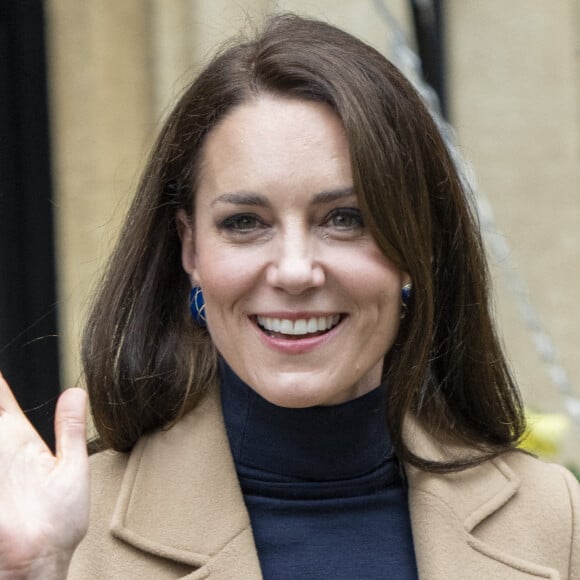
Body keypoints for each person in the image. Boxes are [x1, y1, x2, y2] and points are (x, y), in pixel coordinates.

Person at [0, 13, 578, 580]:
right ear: (191, 251)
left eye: (346, 218)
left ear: (415, 246)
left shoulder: (551, 517)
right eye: (245, 222)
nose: (296, 271)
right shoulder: (68, 537)